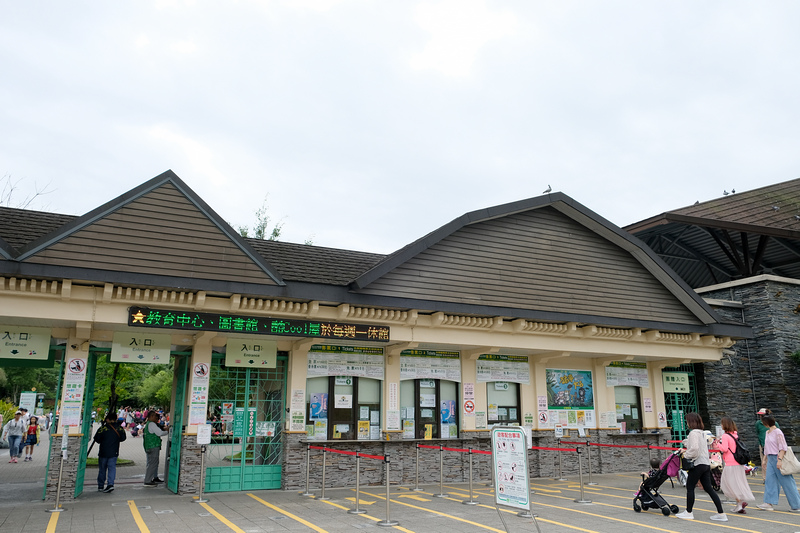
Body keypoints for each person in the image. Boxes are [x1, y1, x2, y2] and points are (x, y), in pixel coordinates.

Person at [676, 412, 727, 521]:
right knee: (709, 489)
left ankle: (688, 512)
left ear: (691, 422)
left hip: (697, 463)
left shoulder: (694, 433)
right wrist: (686, 444)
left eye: (687, 421)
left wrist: (686, 455)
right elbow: (696, 446)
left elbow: (694, 449)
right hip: (705, 464)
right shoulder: (703, 433)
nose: (686, 423)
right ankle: (721, 513)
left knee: (690, 488)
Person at [756, 414, 800, 511]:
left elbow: (783, 447)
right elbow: (767, 448)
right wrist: (764, 460)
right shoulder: (768, 432)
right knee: (770, 481)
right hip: (770, 458)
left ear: (766, 423)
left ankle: (797, 505)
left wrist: (779, 460)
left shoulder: (778, 432)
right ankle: (768, 503)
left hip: (778, 457)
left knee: (787, 482)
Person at [716, 416, 754, 513]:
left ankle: (740, 502)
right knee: (738, 482)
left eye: (722, 423)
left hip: (730, 463)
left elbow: (724, 449)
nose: (721, 425)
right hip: (738, 463)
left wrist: (717, 444)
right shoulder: (735, 435)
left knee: (729, 483)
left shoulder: (725, 436)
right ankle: (739, 504)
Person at [93, 412, 127, 493]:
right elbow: (123, 438)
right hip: (114, 452)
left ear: (107, 419)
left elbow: (96, 439)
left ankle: (100, 485)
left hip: (103, 452)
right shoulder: (119, 428)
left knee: (102, 469)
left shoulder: (102, 429)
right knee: (112, 468)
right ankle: (110, 484)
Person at [143, 410, 168, 486]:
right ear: (151, 416)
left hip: (148, 446)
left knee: (151, 463)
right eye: (155, 416)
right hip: (153, 446)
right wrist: (168, 432)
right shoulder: (152, 424)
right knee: (153, 463)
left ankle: (153, 477)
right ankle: (148, 480)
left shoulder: (147, 424)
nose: (156, 418)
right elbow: (159, 433)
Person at [756, 408, 779, 474]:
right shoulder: (758, 423)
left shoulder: (775, 424)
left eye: (761, 415)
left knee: (773, 462)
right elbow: (757, 433)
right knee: (764, 462)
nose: (760, 416)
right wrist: (761, 444)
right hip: (763, 445)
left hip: (773, 447)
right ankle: (765, 478)